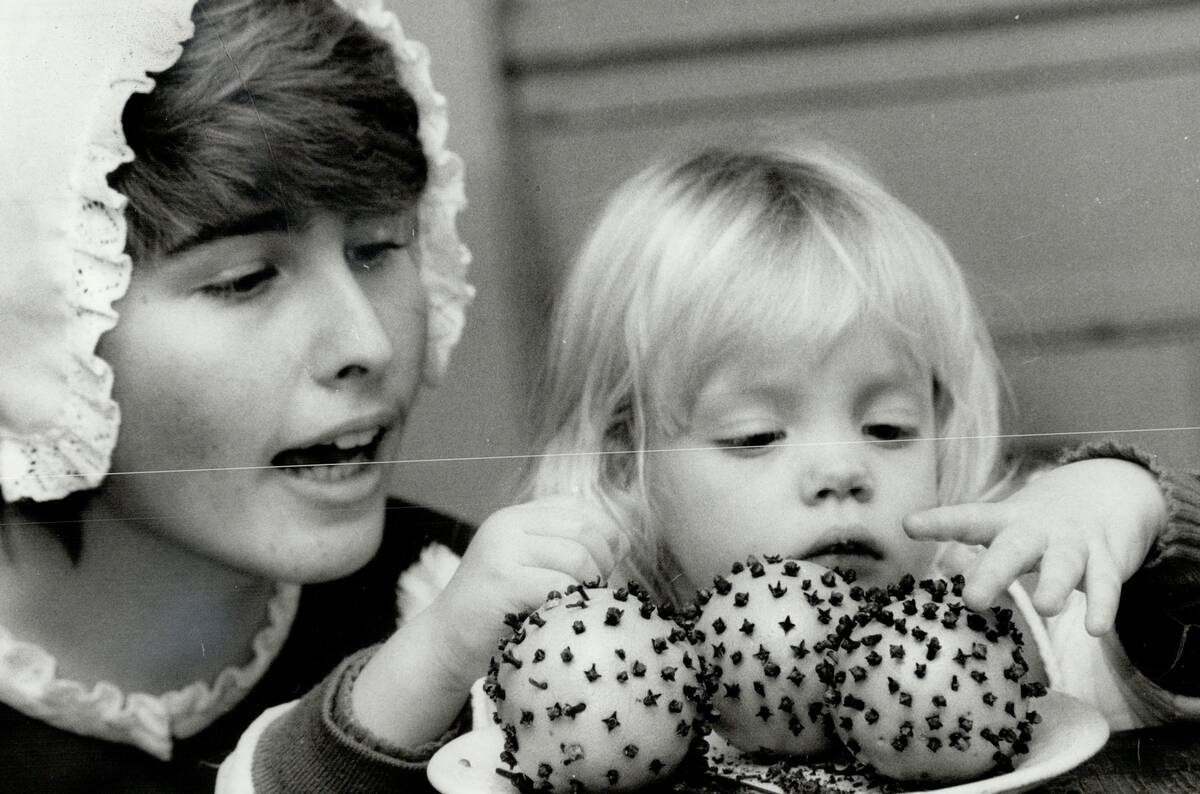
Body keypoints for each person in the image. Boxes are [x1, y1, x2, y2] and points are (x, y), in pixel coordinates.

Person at [0, 1, 622, 791]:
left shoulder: (474, 618)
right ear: (41, 322)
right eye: (245, 279)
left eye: (378, 248)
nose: (367, 344)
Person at [522, 142, 1200, 735]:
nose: (843, 469)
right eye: (755, 435)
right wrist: (434, 660)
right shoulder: (591, 682)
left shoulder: (1018, 628)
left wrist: (1131, 502)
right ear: (623, 463)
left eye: (888, 428)